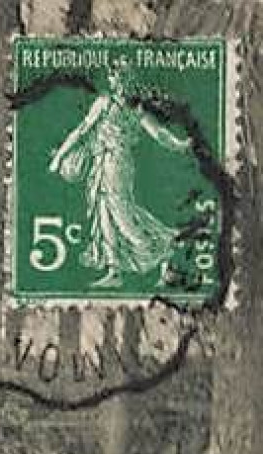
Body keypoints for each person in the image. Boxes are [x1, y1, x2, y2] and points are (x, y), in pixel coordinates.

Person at [49, 65, 192, 288]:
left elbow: (159, 134)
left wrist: (180, 144)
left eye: (123, 79)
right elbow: (82, 130)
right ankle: (114, 270)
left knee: (122, 214)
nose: (119, 84)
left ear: (129, 82)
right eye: (115, 79)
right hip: (101, 163)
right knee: (104, 212)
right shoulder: (104, 103)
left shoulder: (137, 110)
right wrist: (59, 157)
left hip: (118, 164)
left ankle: (165, 251)